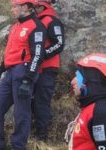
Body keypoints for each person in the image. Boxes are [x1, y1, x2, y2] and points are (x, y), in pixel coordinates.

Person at [0, 0, 46, 150]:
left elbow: (38, 55)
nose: (12, 9)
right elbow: (10, 52)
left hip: (23, 71)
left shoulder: (36, 27)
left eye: (15, 6)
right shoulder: (15, 27)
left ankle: (19, 147)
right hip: (10, 72)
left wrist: (27, 80)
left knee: (21, 111)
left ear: (27, 7)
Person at [33, 0, 65, 141]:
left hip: (47, 68)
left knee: (41, 101)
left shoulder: (51, 21)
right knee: (31, 100)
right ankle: (36, 133)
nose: (32, 9)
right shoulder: (36, 21)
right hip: (35, 67)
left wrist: (41, 55)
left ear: (41, 7)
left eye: (34, 6)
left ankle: (42, 137)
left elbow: (59, 43)